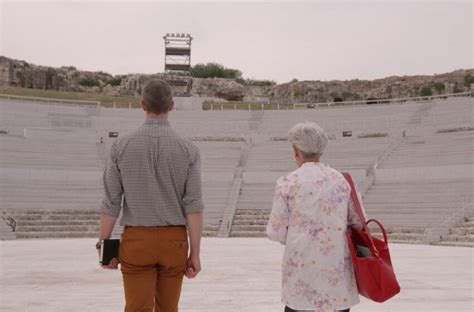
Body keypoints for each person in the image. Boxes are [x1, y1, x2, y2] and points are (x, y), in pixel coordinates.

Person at [97, 79, 204, 312]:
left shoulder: (120, 147)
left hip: (137, 241)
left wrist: (104, 247)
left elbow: (111, 201)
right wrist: (195, 253)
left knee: (136, 309)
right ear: (172, 106)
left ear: (142, 105)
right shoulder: (188, 149)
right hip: (173, 241)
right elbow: (193, 205)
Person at [266, 122, 366, 312]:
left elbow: (275, 231)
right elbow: (359, 223)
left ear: (295, 151)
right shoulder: (343, 181)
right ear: (322, 150)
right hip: (337, 278)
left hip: (301, 278)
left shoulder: (287, 183)